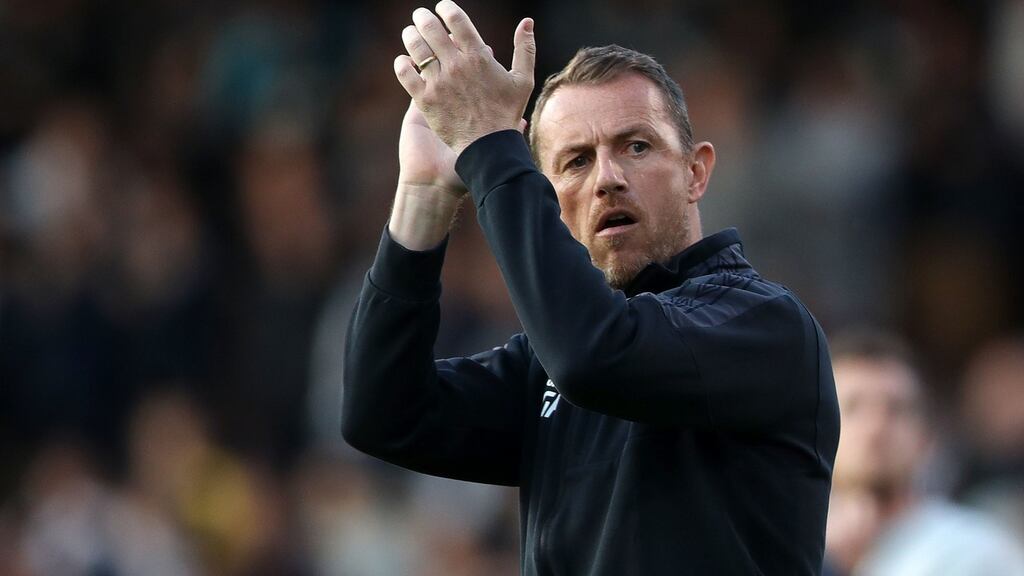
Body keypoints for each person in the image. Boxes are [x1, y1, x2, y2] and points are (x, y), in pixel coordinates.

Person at [342, 1, 840, 573]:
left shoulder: (765, 326)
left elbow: (597, 355)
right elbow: (381, 413)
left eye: (636, 146)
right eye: (576, 161)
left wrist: (492, 145)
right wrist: (424, 198)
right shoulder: (548, 364)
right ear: (547, 200)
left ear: (696, 173)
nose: (607, 179)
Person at [824, 329, 1024, 576]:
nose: (875, 426)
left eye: (896, 409)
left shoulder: (977, 551)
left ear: (927, 437)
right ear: (819, 428)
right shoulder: (788, 543)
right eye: (853, 406)